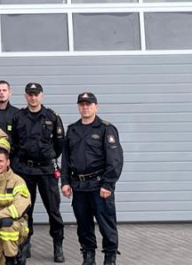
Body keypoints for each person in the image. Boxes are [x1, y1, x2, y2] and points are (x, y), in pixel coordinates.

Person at [60, 93, 123, 265]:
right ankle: (88, 256)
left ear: (96, 106)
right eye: (82, 104)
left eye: (89, 104)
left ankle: (110, 256)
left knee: (106, 223)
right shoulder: (72, 130)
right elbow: (66, 159)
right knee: (83, 224)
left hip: (99, 186)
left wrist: (108, 184)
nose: (85, 107)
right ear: (78, 107)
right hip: (79, 186)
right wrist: (65, 182)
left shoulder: (106, 129)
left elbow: (115, 159)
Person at [12, 82, 67, 263]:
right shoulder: (18, 117)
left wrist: (48, 157)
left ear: (41, 96)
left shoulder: (52, 117)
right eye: (30, 94)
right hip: (25, 171)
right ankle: (25, 243)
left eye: (36, 94)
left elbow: (59, 144)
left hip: (46, 170)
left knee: (53, 210)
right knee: (25, 209)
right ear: (25, 96)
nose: (33, 97)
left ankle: (58, 245)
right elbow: (14, 143)